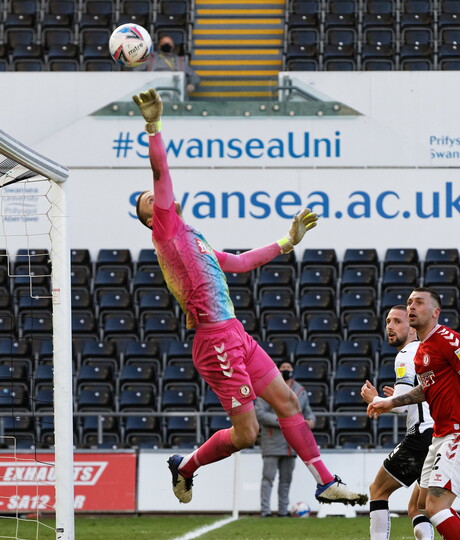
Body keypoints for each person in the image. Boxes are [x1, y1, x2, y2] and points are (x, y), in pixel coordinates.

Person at [131, 88, 367, 507]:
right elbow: (160, 171)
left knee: (288, 401)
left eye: (153, 197)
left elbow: (239, 263)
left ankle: (325, 482)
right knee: (247, 434)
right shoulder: (165, 230)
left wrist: (287, 242)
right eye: (148, 202)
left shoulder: (194, 239)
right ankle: (186, 467)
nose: (156, 198)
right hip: (214, 341)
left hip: (234, 333)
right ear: (152, 219)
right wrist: (153, 126)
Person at [367, 288, 460, 540]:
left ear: (436, 312)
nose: (411, 307)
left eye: (419, 302)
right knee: (423, 505)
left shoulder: (447, 339)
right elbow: (426, 389)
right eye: (409, 302)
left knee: (436, 506)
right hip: (440, 433)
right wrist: (390, 402)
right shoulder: (422, 351)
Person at [360, 305, 435, 540]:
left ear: (412, 329)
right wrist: (400, 398)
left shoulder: (405, 355)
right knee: (418, 508)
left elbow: (400, 406)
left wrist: (375, 400)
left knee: (377, 490)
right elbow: (419, 398)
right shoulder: (426, 352)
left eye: (397, 321)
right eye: (387, 322)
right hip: (439, 436)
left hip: (421, 435)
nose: (390, 327)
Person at [255, 360, 315, 517]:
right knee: (268, 478)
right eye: (283, 368)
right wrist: (283, 421)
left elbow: (308, 413)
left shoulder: (300, 390)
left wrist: (310, 422)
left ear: (293, 370)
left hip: (293, 444)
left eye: (289, 367)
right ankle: (265, 511)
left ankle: (283, 511)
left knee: (286, 480)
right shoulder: (268, 387)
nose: (286, 370)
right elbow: (259, 412)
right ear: (277, 370)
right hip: (272, 442)